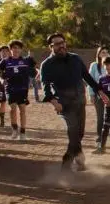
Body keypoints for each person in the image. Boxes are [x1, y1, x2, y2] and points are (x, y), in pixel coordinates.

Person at [39, 33, 102, 171]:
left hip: (80, 101)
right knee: (73, 131)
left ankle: (79, 159)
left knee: (79, 133)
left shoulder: (76, 59)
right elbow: (45, 86)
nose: (61, 45)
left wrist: (100, 91)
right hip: (64, 104)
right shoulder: (47, 65)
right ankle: (67, 163)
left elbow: (87, 77)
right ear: (51, 47)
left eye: (62, 42)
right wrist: (54, 102)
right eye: (57, 44)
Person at [88, 47, 110, 149]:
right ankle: (99, 140)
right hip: (99, 97)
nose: (105, 54)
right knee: (100, 118)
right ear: (98, 54)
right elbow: (90, 81)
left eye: (106, 52)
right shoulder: (94, 66)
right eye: (103, 52)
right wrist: (91, 95)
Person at [0, 40, 33, 141]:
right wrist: (1, 79)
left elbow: (35, 69)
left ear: (21, 49)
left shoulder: (26, 60)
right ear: (11, 49)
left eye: (18, 48)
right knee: (12, 109)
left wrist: (38, 74)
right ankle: (14, 128)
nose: (16, 50)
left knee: (22, 110)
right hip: (10, 88)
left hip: (23, 89)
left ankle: (22, 132)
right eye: (14, 48)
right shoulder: (5, 61)